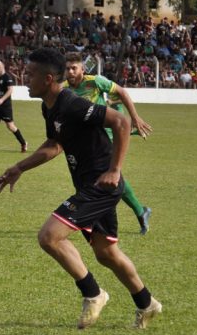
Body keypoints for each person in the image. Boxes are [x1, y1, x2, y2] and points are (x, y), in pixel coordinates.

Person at [0, 47, 162, 330]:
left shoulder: (72, 103)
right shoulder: (49, 107)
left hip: (102, 185)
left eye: (30, 74)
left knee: (49, 236)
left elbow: (120, 121)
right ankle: (147, 304)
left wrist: (114, 170)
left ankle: (93, 294)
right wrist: (20, 167)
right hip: (89, 184)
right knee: (106, 253)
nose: (25, 78)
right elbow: (55, 145)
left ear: (48, 79)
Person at [63, 52, 153, 235]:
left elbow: (122, 92)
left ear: (82, 69)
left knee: (107, 174)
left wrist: (135, 117)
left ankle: (95, 218)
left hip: (106, 136)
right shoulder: (63, 90)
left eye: (74, 68)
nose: (70, 72)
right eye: (67, 69)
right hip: (84, 140)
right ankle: (139, 211)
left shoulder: (95, 81)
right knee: (102, 177)